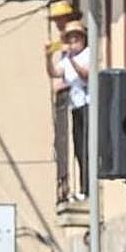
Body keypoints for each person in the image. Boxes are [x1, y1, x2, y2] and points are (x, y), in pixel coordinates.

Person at [46, 20, 90, 197]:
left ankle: (88, 188)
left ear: (82, 39)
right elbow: (54, 73)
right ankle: (83, 187)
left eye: (75, 39)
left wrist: (72, 60)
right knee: (79, 148)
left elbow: (86, 75)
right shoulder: (66, 60)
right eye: (70, 39)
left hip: (88, 104)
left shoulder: (87, 54)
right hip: (76, 106)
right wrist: (48, 57)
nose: (72, 42)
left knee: (87, 148)